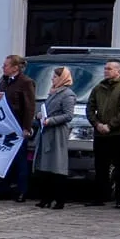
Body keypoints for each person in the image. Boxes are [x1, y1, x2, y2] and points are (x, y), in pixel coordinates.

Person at [86, 60, 120, 207]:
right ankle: (100, 197)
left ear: (118, 71)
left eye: (109, 69)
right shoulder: (98, 88)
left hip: (119, 133)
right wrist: (97, 124)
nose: (106, 71)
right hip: (101, 134)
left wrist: (110, 125)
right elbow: (90, 107)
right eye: (105, 68)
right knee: (100, 167)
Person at [0, 55, 37, 202]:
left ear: (15, 68)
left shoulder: (26, 82)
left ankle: (22, 191)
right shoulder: (4, 82)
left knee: (21, 161)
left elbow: (29, 106)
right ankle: (3, 188)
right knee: (4, 158)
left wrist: (27, 127)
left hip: (17, 127)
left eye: (6, 65)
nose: (3, 67)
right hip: (4, 128)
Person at [32, 67, 75, 209]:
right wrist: (40, 115)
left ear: (62, 78)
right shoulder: (52, 92)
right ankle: (46, 198)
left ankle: (60, 199)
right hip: (46, 132)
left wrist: (51, 120)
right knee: (44, 166)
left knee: (56, 166)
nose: (53, 79)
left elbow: (68, 115)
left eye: (56, 77)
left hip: (57, 133)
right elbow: (47, 109)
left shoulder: (68, 94)